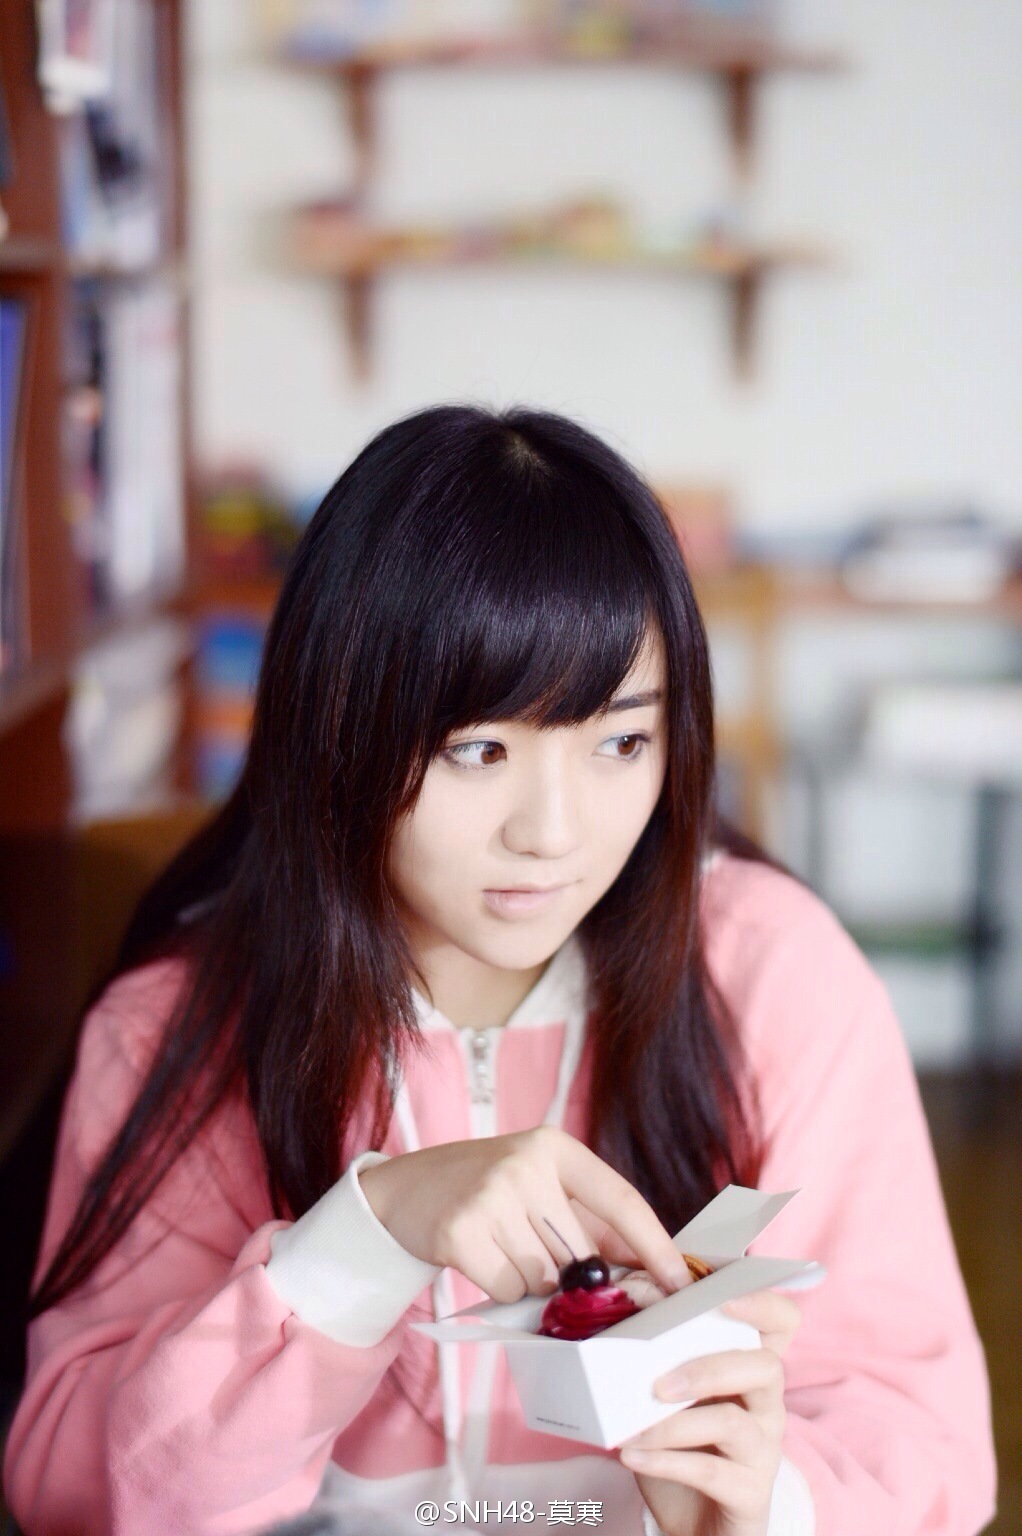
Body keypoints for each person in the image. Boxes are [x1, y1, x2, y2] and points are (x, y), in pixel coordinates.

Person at [2, 406, 996, 1536]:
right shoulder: (178, 1026)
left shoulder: (773, 974)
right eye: (478, 750)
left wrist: (757, 1504)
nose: (555, 833)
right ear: (337, 730)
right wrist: (364, 1238)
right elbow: (72, 1492)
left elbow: (924, 1444)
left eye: (621, 742)